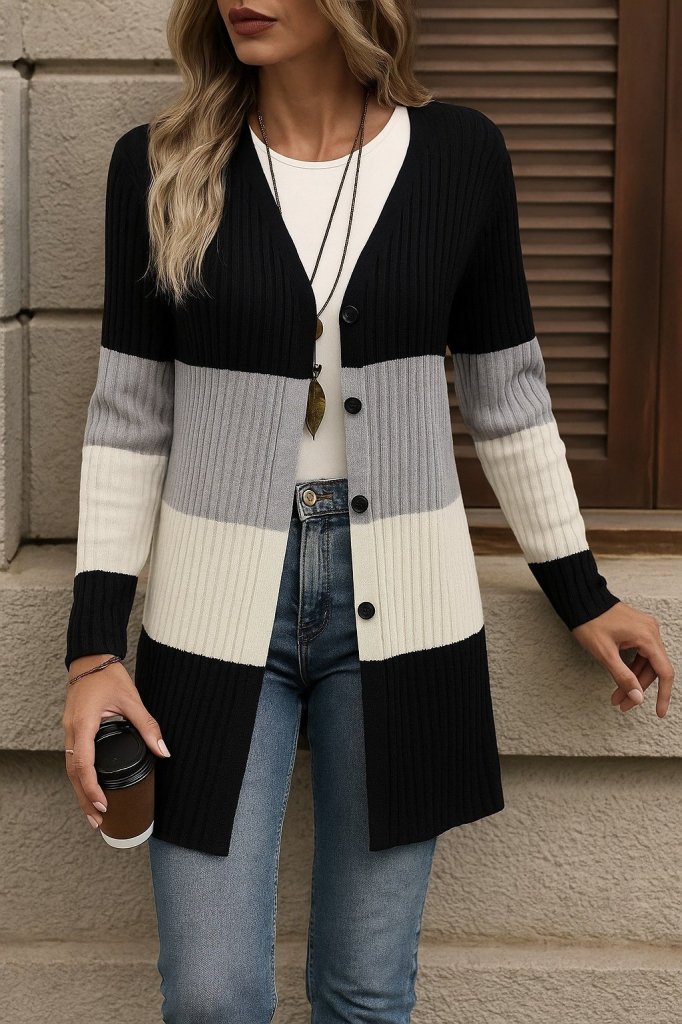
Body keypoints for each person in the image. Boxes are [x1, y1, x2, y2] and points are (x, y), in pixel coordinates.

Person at [62, 0, 675, 1021]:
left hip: (406, 604)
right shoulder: (162, 163)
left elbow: (507, 395)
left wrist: (582, 591)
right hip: (214, 611)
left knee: (364, 993)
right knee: (212, 995)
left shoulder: (459, 157)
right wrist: (93, 650)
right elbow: (130, 415)